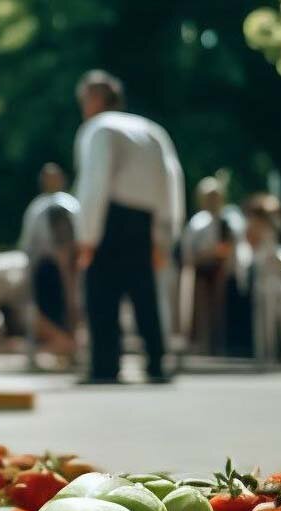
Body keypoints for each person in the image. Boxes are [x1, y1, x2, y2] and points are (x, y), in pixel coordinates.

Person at [73, 70, 184, 383]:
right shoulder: (151, 130)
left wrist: (87, 236)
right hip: (144, 221)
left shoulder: (100, 128)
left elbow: (95, 183)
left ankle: (105, 366)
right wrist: (164, 234)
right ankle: (157, 362)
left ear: (96, 99)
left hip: (111, 218)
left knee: (102, 295)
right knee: (144, 293)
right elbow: (171, 182)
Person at [18, 163, 81, 363]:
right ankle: (59, 348)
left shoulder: (71, 205)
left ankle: (70, 351)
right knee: (46, 310)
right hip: (46, 268)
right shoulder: (37, 208)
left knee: (72, 307)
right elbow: (29, 243)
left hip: (71, 266)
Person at [180, 177, 248, 355]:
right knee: (201, 311)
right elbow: (188, 251)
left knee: (221, 310)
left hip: (223, 272)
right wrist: (208, 254)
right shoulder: (197, 223)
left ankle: (221, 344)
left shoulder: (230, 220)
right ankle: (202, 343)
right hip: (202, 272)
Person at [243, 194, 281, 368]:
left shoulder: (277, 229)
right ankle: (266, 355)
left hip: (280, 279)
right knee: (265, 317)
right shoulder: (253, 229)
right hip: (264, 278)